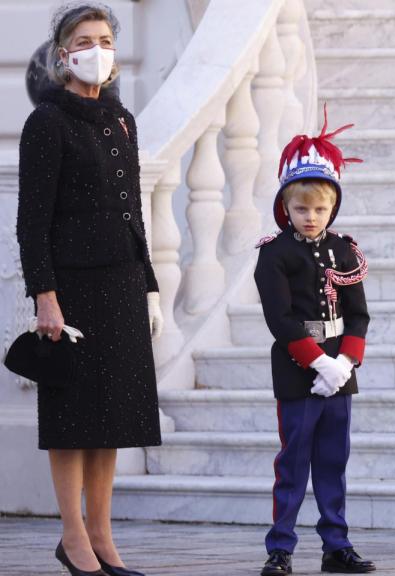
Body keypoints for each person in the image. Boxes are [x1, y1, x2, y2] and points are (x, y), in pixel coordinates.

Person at [15, 3, 163, 575]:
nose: (96, 48)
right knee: (74, 418)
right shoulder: (46, 122)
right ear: (63, 53)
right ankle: (73, 537)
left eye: (104, 38)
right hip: (72, 290)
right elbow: (32, 222)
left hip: (123, 282)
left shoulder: (123, 119)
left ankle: (103, 538)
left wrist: (147, 284)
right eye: (84, 40)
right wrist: (44, 297)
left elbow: (134, 211)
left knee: (115, 417)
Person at [254, 113, 374, 576]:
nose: (310, 217)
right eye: (302, 209)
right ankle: (280, 548)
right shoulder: (275, 253)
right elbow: (280, 319)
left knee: (332, 462)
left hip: (340, 375)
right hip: (298, 370)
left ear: (332, 209)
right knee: (292, 465)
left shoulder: (344, 250)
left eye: (319, 210)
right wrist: (318, 363)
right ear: (287, 207)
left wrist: (345, 362)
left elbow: (358, 313)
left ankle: (336, 546)